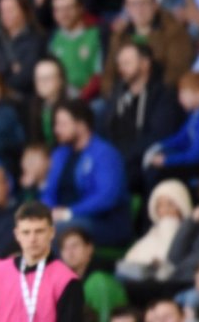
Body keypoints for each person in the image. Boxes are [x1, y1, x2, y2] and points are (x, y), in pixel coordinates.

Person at [44, 100, 133, 246]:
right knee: (27, 229)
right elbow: (48, 192)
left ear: (81, 125)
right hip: (65, 219)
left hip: (103, 224)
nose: (56, 130)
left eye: (63, 124)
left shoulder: (105, 154)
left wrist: (69, 213)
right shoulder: (59, 154)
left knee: (55, 233)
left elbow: (106, 197)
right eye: (56, 124)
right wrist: (47, 212)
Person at [101, 42, 184, 191]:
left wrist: (125, 156)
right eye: (119, 64)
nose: (121, 69)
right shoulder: (116, 95)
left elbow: (159, 135)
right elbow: (105, 128)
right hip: (116, 158)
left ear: (145, 64)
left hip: (142, 160)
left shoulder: (163, 95)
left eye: (127, 63)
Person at [148, 71, 199, 179]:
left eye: (184, 93)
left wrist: (166, 160)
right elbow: (181, 138)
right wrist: (159, 146)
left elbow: (196, 156)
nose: (180, 98)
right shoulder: (195, 114)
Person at [120, 179, 193, 282]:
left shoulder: (186, 231)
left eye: (170, 204)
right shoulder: (153, 232)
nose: (165, 209)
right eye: (160, 205)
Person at [60, 227, 130, 322]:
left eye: (75, 246)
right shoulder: (70, 282)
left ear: (89, 249)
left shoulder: (98, 281)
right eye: (65, 248)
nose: (70, 252)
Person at [46, 0, 101, 97]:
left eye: (68, 8)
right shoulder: (53, 38)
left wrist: (80, 98)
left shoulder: (96, 35)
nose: (63, 14)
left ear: (80, 8)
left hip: (87, 99)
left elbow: (99, 76)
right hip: (58, 98)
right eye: (58, 9)